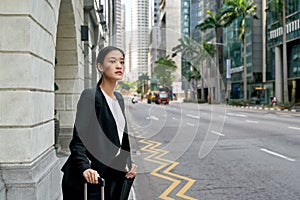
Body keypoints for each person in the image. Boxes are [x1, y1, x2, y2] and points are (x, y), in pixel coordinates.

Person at [61, 46, 137, 200]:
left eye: (121, 62)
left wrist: (128, 163)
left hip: (114, 176)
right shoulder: (91, 96)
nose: (118, 66)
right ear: (100, 66)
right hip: (91, 179)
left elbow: (121, 139)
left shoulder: (119, 98)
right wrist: (85, 168)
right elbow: (78, 141)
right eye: (112, 61)